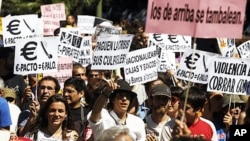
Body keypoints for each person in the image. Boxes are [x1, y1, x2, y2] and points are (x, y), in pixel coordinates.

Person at [63, 77, 88, 141]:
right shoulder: (59, 112)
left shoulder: (87, 114)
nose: (65, 94)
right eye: (64, 91)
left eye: (69, 91)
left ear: (81, 93)